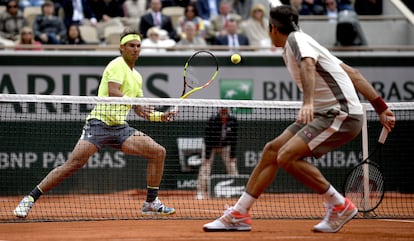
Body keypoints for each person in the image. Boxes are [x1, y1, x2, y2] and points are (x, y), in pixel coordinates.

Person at [203, 5, 395, 233]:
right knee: (272, 151)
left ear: (272, 28)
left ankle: (339, 204)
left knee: (287, 157)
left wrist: (308, 103)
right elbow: (353, 73)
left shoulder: (297, 41)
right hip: (326, 112)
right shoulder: (305, 42)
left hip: (340, 114)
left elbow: (307, 65)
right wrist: (381, 107)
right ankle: (239, 213)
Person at [13, 27, 177, 219]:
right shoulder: (117, 64)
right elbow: (113, 91)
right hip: (99, 124)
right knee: (72, 164)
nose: (135, 49)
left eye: (138, 46)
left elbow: (140, 110)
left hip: (120, 128)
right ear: (122, 48)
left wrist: (160, 116)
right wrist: (135, 102)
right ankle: (30, 199)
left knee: (158, 152)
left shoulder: (137, 77)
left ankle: (150, 202)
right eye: (131, 45)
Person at [196, 108, 238, 200]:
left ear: (228, 111)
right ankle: (200, 192)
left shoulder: (233, 120)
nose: (223, 111)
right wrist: (207, 156)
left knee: (232, 165)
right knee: (205, 167)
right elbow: (207, 138)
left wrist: (233, 155)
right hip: (210, 146)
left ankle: (236, 190)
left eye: (225, 110)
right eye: (222, 110)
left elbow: (234, 138)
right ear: (219, 111)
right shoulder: (213, 120)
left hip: (225, 146)